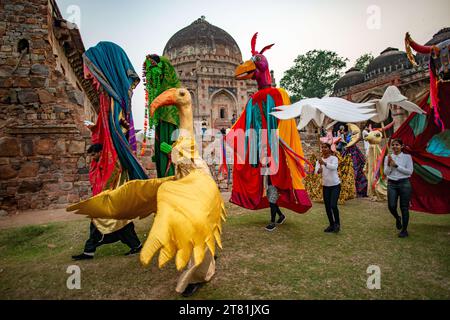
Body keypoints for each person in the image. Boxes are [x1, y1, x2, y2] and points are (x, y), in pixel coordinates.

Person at [71, 144, 142, 260]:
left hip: (113, 200)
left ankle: (89, 251)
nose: (92, 157)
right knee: (118, 224)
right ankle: (136, 245)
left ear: (100, 152)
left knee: (119, 224)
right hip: (106, 201)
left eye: (93, 154)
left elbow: (111, 181)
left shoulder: (113, 164)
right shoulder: (98, 165)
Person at [384, 138, 413, 238]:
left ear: (402, 146)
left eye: (397, 145)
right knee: (391, 206)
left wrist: (396, 166)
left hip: (404, 183)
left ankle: (404, 230)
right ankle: (397, 217)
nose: (395, 147)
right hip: (392, 184)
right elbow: (386, 173)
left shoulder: (407, 157)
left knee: (404, 207)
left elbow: (409, 172)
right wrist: (389, 166)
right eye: (393, 145)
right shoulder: (388, 157)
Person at [317, 143, 341, 233]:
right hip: (326, 186)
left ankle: (337, 224)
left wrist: (325, 163)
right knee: (327, 207)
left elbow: (334, 167)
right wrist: (318, 170)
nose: (323, 149)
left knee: (333, 205)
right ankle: (331, 224)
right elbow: (316, 171)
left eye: (325, 147)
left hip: (335, 185)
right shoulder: (319, 160)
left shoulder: (333, 158)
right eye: (322, 147)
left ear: (329, 149)